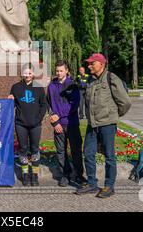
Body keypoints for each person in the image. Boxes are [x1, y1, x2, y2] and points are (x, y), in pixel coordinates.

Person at [75, 53, 131, 198]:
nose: (89, 66)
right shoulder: (91, 81)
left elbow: (125, 102)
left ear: (101, 64)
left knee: (109, 156)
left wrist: (113, 115)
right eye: (89, 63)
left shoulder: (111, 78)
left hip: (107, 124)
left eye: (92, 63)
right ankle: (92, 184)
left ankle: (109, 186)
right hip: (92, 125)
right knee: (88, 153)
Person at [47, 60, 86, 188]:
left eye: (61, 70)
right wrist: (55, 121)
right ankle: (66, 175)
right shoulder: (51, 86)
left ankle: (79, 175)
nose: (58, 73)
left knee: (76, 151)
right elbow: (49, 105)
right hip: (58, 125)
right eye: (57, 71)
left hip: (71, 123)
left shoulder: (73, 85)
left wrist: (60, 115)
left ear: (67, 71)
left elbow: (74, 105)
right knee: (61, 151)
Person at [8, 65, 47, 186]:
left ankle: (34, 175)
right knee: (23, 149)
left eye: (29, 73)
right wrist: (9, 100)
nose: (27, 76)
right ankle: (25, 174)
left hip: (35, 124)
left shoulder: (39, 87)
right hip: (21, 123)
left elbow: (43, 105)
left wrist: (38, 118)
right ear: (22, 74)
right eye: (25, 73)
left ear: (33, 74)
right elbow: (11, 104)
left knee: (35, 149)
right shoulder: (15, 87)